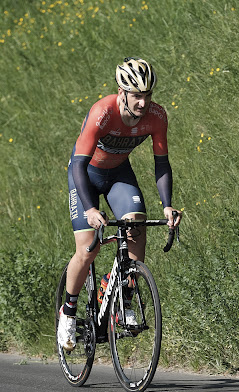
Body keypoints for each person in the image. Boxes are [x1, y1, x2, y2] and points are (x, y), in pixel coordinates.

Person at [57, 57, 182, 351]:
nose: (143, 103)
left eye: (148, 95)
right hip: (85, 174)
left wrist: (167, 204)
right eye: (137, 95)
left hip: (118, 175)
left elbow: (161, 163)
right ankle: (69, 312)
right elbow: (78, 165)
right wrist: (89, 209)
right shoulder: (102, 112)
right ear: (122, 91)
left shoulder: (157, 117)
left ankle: (122, 299)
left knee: (136, 225)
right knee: (89, 247)